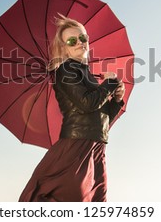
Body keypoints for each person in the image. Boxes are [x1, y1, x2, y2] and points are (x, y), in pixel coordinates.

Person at [18, 14, 125, 202]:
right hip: (77, 148)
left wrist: (117, 99)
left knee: (98, 204)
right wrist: (108, 84)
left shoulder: (88, 75)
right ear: (64, 48)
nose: (80, 43)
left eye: (83, 38)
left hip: (97, 148)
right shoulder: (65, 70)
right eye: (72, 40)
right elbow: (86, 104)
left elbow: (103, 120)